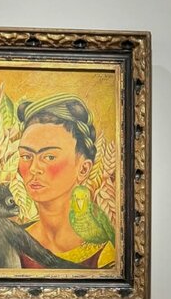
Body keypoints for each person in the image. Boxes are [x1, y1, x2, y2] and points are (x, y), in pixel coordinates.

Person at [15, 94, 115, 269]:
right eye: (26, 156)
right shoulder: (9, 241)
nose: (33, 168)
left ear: (83, 169)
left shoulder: (105, 255)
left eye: (49, 156)